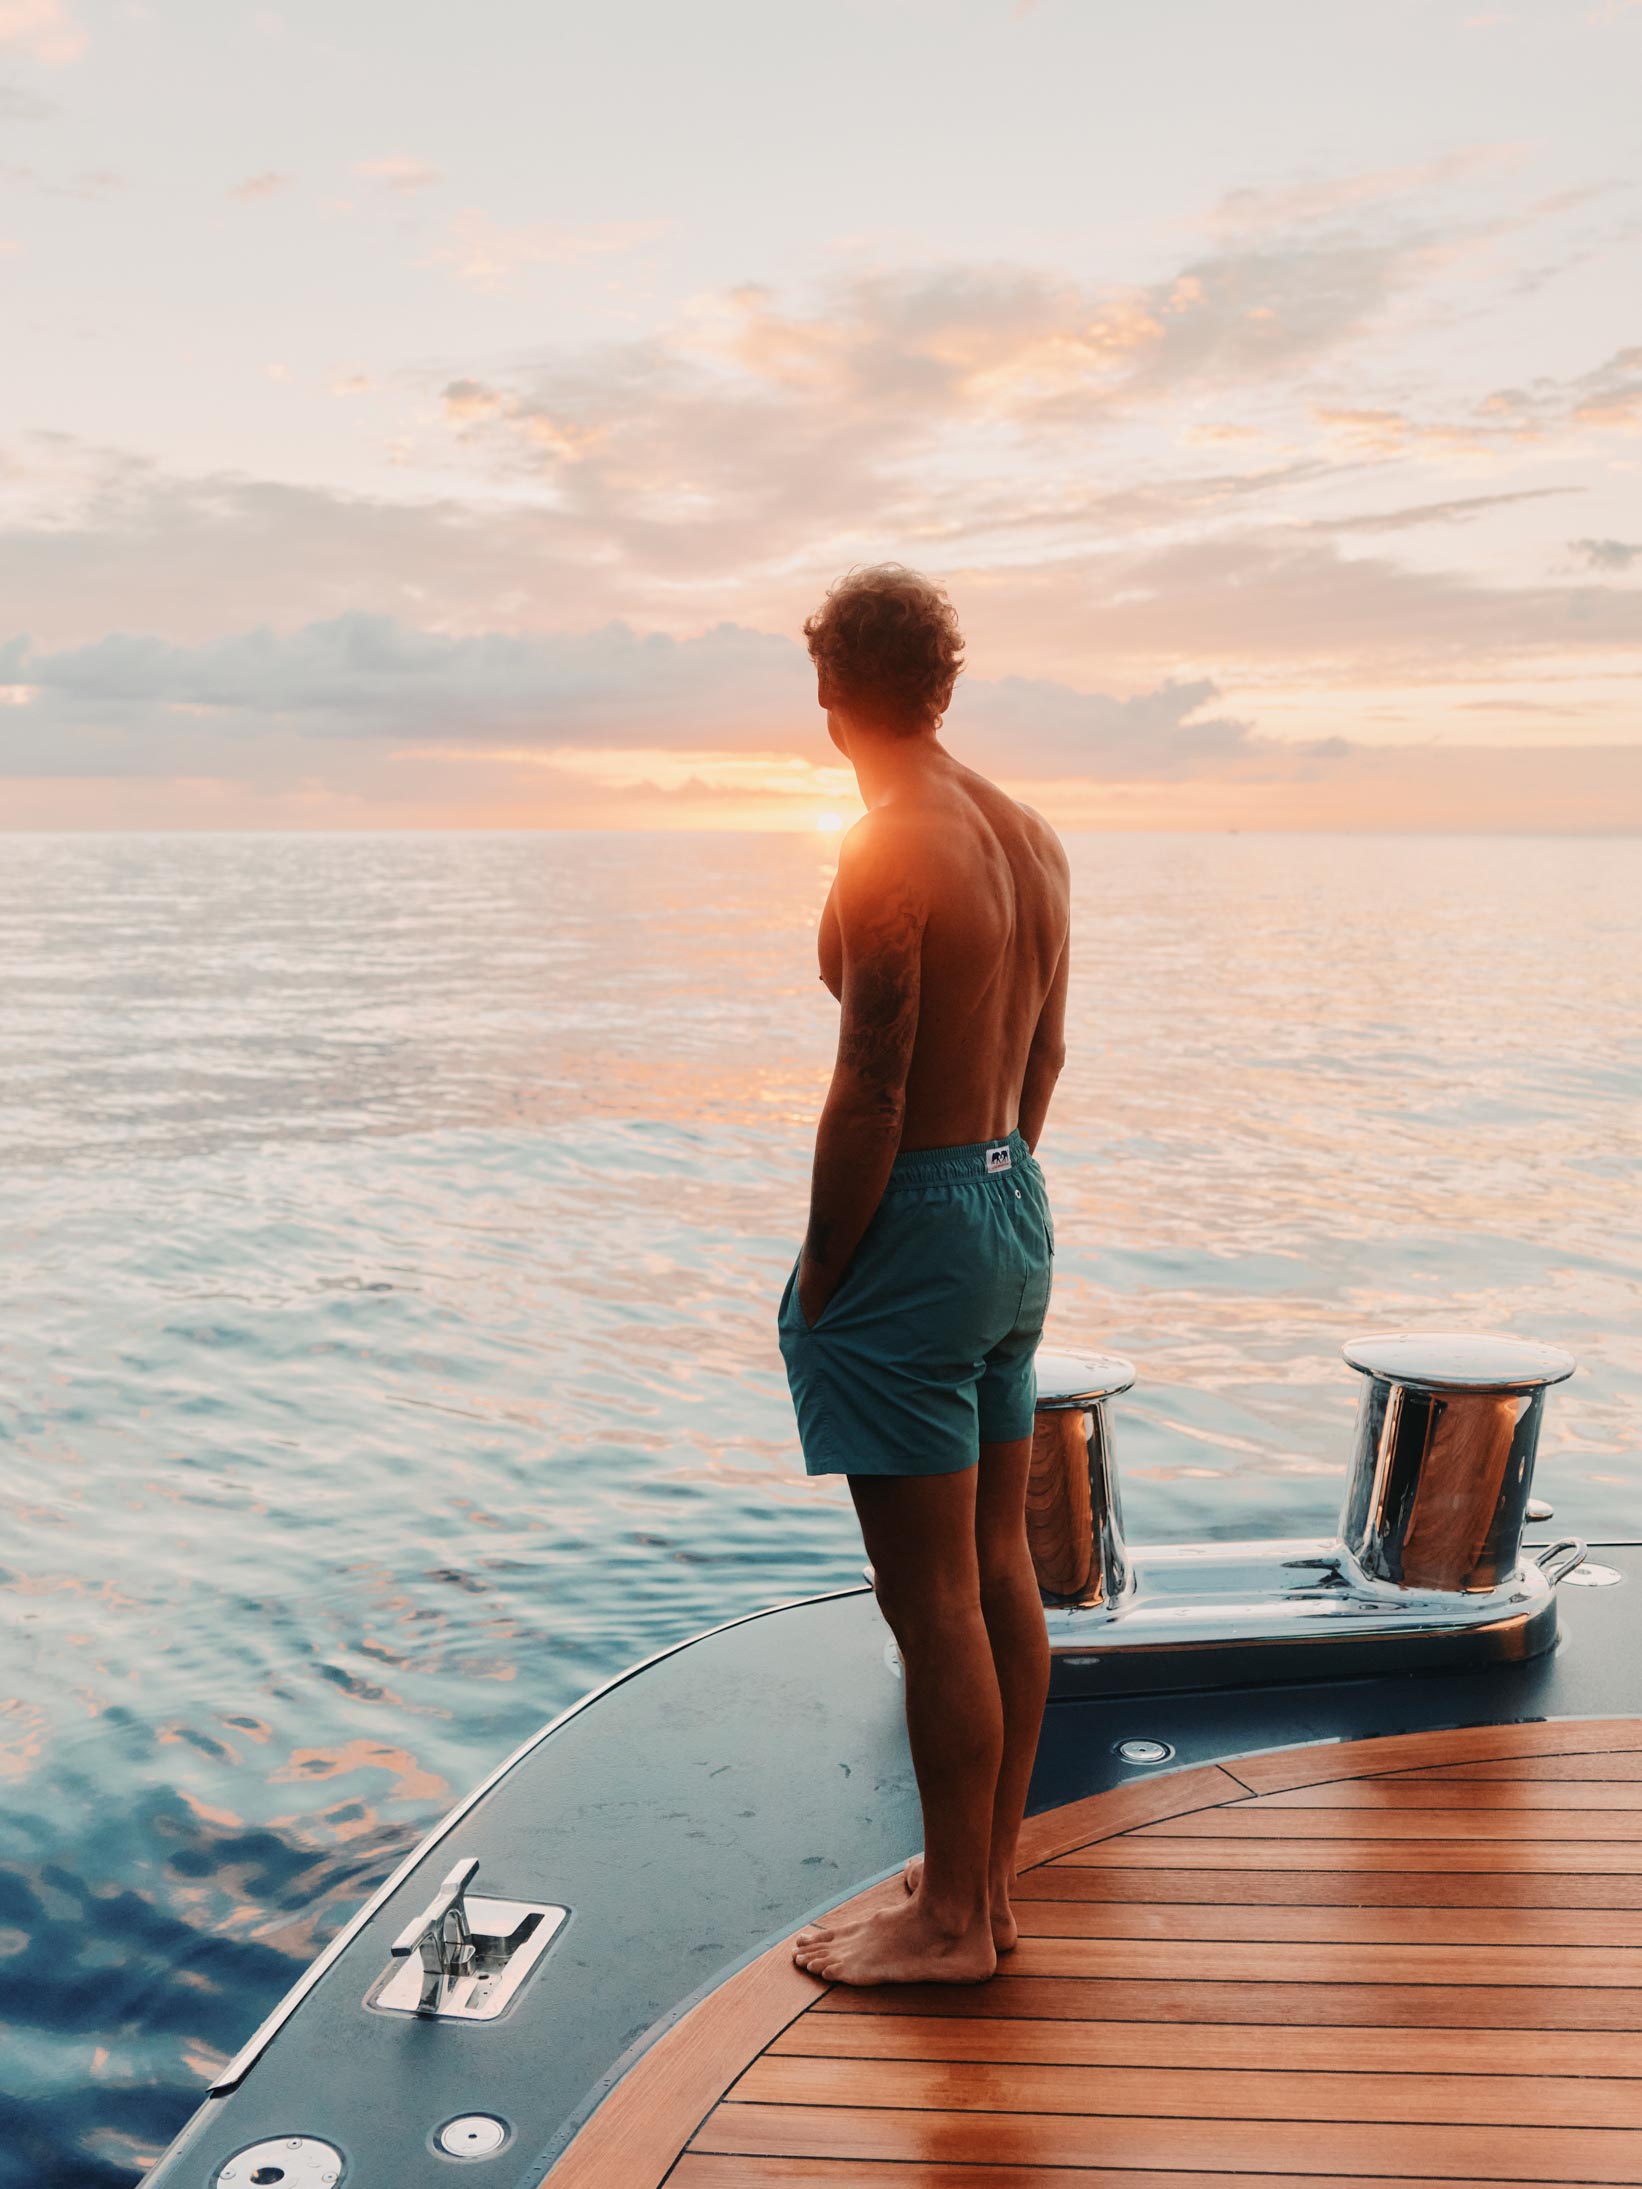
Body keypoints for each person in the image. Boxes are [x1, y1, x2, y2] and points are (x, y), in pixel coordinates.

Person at [779, 563, 1070, 1987]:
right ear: (943, 685)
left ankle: (949, 1924)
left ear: (830, 695)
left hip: (919, 1211)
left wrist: (827, 1262)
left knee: (931, 1600)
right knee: (1001, 1567)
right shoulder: (1027, 835)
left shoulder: (886, 841)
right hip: (1013, 1198)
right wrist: (989, 1199)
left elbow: (870, 1086)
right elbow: (1046, 1060)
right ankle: (988, 1882)